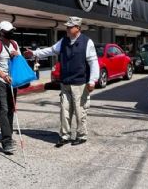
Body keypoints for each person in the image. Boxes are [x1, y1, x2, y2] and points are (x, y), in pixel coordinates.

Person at [24, 16, 99, 147]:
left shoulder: (87, 42)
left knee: (80, 111)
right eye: (67, 27)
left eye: (70, 27)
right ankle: (65, 135)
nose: (67, 29)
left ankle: (81, 135)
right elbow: (51, 50)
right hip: (65, 83)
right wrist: (35, 54)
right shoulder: (63, 41)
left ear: (78, 28)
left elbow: (93, 63)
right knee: (64, 111)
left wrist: (92, 80)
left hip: (80, 83)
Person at [0, 21, 21, 154]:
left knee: (11, 108)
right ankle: (6, 140)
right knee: (3, 108)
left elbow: (19, 59)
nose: (10, 33)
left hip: (11, 80)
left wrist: (16, 55)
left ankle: (9, 134)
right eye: (8, 31)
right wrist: (3, 75)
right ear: (1, 32)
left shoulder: (14, 44)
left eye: (11, 30)